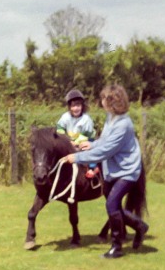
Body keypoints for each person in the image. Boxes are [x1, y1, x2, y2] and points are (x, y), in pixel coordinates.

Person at [59, 84, 148, 259]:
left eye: (104, 99)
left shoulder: (124, 124)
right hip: (112, 169)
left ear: (112, 102)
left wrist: (77, 158)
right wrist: (91, 144)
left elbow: (106, 151)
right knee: (113, 204)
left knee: (111, 204)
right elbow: (105, 141)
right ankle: (139, 226)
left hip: (127, 171)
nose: (101, 102)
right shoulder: (111, 117)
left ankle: (117, 246)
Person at [56, 89, 99, 179]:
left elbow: (85, 136)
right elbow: (60, 130)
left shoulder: (86, 119)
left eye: (78, 105)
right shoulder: (65, 117)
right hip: (69, 141)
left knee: (88, 150)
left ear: (82, 106)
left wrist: (76, 143)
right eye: (73, 106)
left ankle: (92, 168)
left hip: (85, 140)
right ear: (69, 107)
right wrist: (67, 141)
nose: (75, 108)